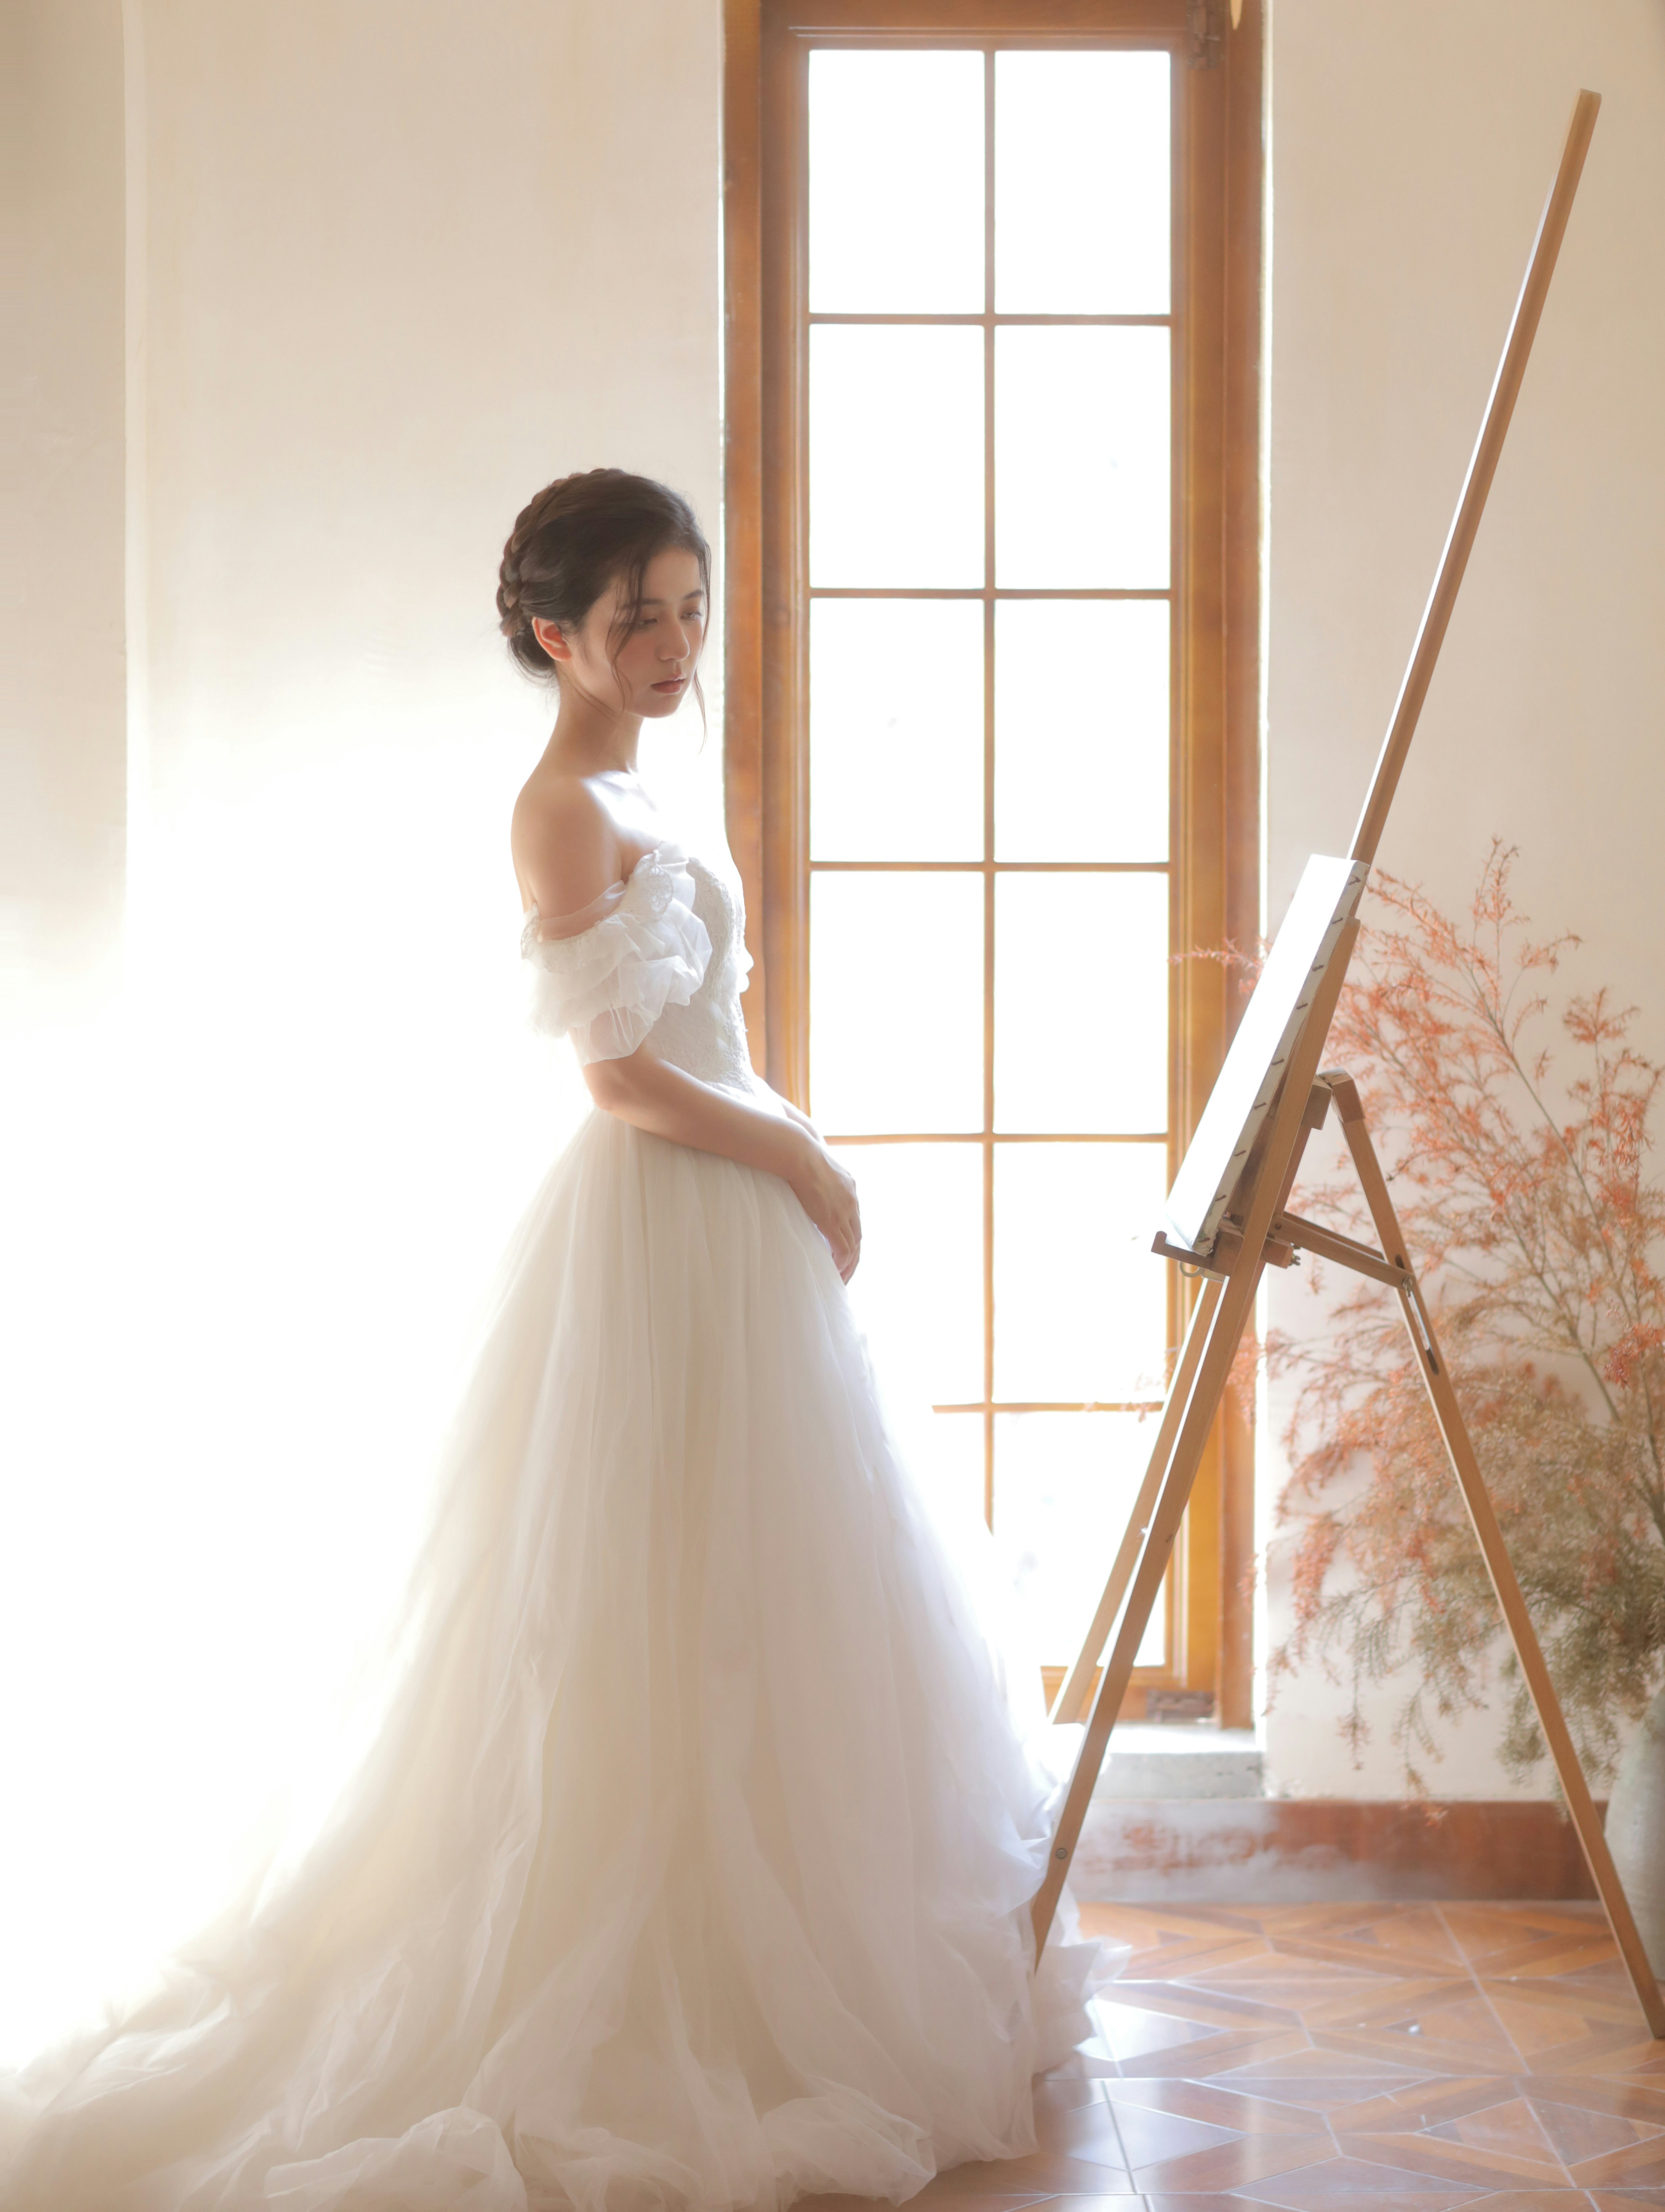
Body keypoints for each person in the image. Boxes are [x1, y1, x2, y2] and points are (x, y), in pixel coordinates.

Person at [0, 470, 1097, 2212]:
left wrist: (783, 1156)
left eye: (687, 607)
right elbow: (610, 1074)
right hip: (660, 1229)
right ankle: (639, 1988)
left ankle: (755, 1969)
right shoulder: (561, 804)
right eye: (633, 618)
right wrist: (797, 1150)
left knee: (747, 1613)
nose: (671, 646)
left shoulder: (634, 777)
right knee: (622, 1620)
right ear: (549, 633)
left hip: (719, 1225)